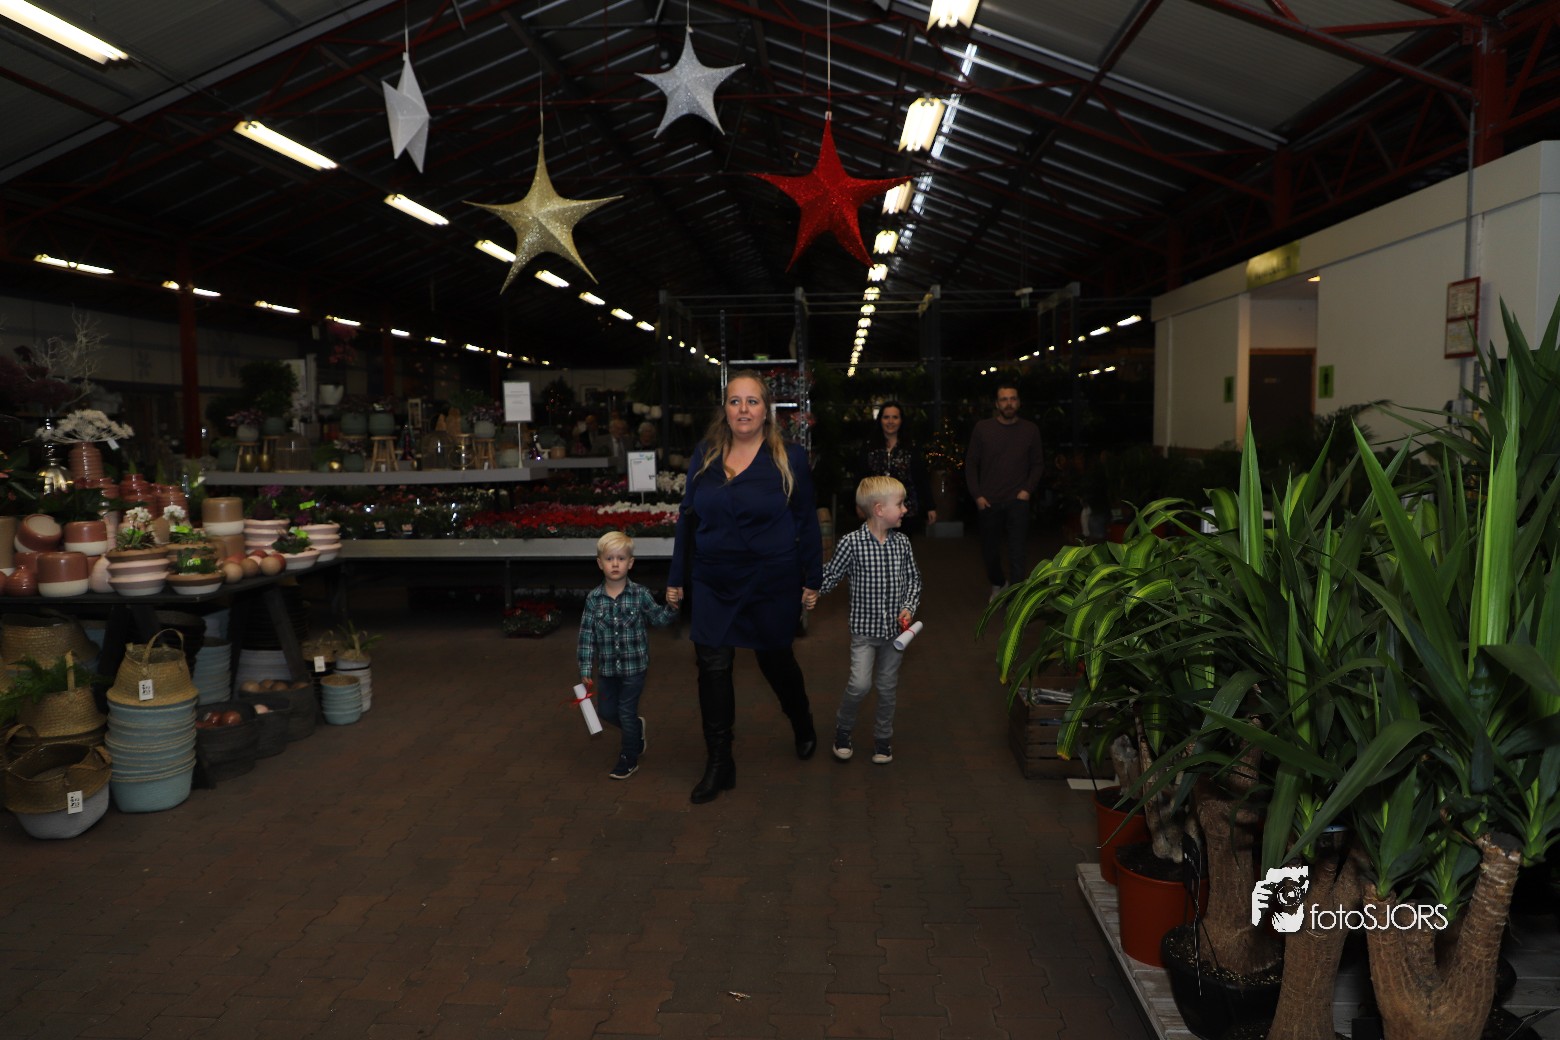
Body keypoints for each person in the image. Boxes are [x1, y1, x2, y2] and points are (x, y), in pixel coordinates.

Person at [666, 371, 823, 804]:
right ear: (725, 409)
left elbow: (806, 521)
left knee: (775, 660)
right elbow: (687, 518)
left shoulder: (789, 458)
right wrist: (677, 577)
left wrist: (813, 578)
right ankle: (720, 762)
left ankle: (802, 719)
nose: (743, 410)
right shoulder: (706, 454)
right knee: (712, 666)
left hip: (771, 579)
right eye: (735, 401)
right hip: (714, 578)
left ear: (766, 409)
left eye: (752, 401)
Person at [812, 476, 922, 766]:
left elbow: (913, 580)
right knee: (860, 684)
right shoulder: (852, 543)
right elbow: (831, 575)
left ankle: (883, 738)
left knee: (886, 687)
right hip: (864, 633)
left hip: (895, 636)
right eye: (900, 504)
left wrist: (908, 607)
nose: (905, 509)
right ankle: (843, 729)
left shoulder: (902, 544)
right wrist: (811, 589)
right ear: (879, 509)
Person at [577, 531, 680, 780]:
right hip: (607, 670)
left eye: (621, 559)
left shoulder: (640, 594)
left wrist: (672, 607)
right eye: (609, 559)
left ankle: (628, 758)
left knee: (625, 711)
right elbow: (586, 636)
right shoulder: (594, 599)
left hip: (635, 668)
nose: (615, 564)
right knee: (607, 712)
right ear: (600, 563)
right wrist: (585, 668)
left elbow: (659, 619)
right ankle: (636, 728)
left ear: (630, 563)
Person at [965, 384, 1044, 600]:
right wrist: (977, 495)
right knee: (989, 553)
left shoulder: (1030, 430)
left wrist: (1027, 490)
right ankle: (999, 583)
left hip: (1018, 501)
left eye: (1013, 399)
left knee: (1017, 552)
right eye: (1004, 399)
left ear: (1018, 402)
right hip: (988, 501)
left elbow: (1038, 464)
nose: (1009, 403)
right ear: (997, 404)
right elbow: (971, 464)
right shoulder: (983, 429)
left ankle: (1016, 598)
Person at [857, 400, 936, 535]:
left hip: (906, 511)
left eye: (895, 417)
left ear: (901, 420)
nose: (890, 421)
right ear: (880, 420)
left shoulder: (911, 446)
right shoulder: (869, 446)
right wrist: (859, 503)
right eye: (886, 417)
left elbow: (921, 478)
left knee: (902, 545)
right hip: (875, 510)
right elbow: (860, 476)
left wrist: (930, 506)